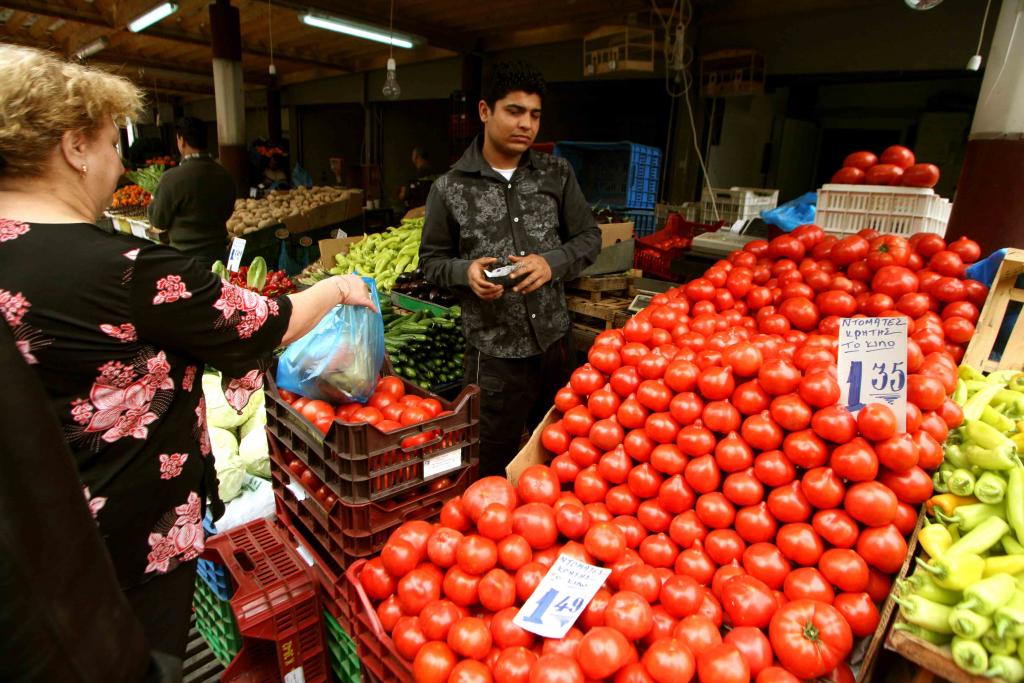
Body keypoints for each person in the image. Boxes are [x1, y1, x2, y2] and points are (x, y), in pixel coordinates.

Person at [0, 44, 375, 671]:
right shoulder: (125, 271)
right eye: (112, 144)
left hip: (29, 553)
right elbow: (265, 324)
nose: (120, 164)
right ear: (74, 146)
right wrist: (338, 287)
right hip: (122, 547)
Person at [419, 60, 602, 477]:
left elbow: (589, 238)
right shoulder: (449, 188)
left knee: (563, 455)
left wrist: (551, 263)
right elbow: (431, 262)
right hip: (494, 357)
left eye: (535, 115)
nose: (526, 124)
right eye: (515, 111)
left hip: (555, 346)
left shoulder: (556, 174)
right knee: (490, 465)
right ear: (485, 111)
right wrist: (465, 273)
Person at [148, 117, 236, 270]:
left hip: (185, 261)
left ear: (182, 141)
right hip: (219, 258)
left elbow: (158, 220)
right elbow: (228, 210)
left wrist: (152, 200)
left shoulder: (171, 178)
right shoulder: (224, 174)